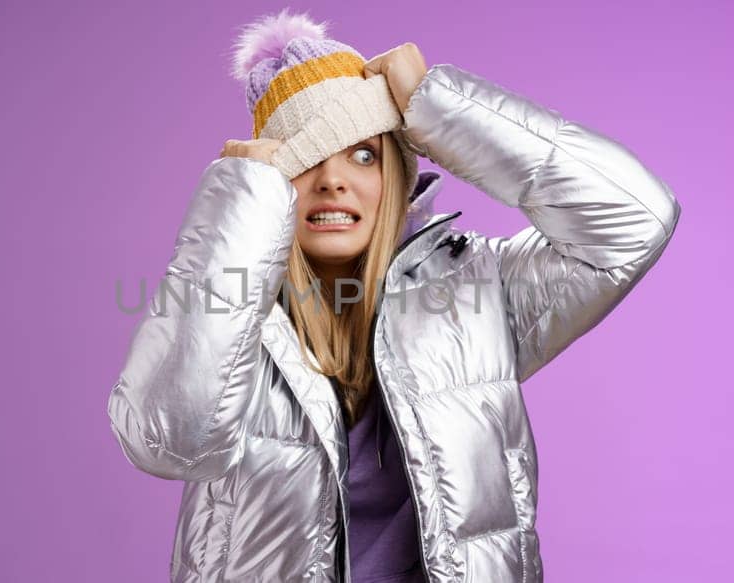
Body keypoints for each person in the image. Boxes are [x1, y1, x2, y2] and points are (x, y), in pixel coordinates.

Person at [107, 9, 681, 582]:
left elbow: (635, 221)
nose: (333, 178)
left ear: (399, 178)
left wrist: (442, 108)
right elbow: (169, 441)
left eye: (364, 154)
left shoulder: (474, 291)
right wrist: (238, 206)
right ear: (272, 183)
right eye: (306, 155)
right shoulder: (234, 315)